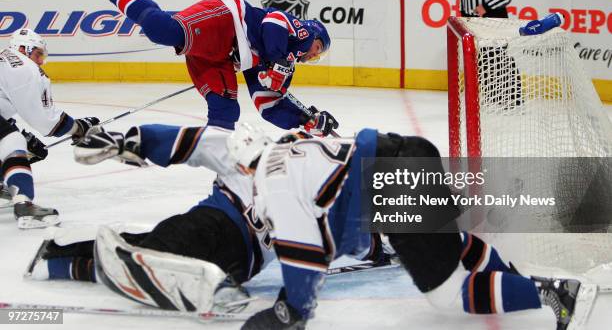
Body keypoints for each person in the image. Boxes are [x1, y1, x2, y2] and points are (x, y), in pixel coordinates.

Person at [224, 123, 583, 330]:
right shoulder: (294, 140)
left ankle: (553, 293)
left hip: (393, 183)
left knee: (448, 296)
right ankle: (504, 273)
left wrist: (292, 311)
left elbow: (303, 253)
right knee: (445, 241)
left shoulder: (272, 182)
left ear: (242, 168)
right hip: (410, 149)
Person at [25, 125, 388, 311]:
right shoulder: (245, 156)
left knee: (147, 261)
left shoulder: (316, 202)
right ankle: (59, 257)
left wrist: (381, 246)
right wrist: (128, 140)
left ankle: (57, 259)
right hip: (213, 223)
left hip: (244, 263)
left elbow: (350, 240)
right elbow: (190, 141)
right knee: (159, 249)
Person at [80, 0, 338, 137]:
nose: (312, 56)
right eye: (317, 49)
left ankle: (222, 176)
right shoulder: (301, 35)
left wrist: (306, 120)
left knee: (225, 112)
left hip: (220, 56)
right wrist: (277, 60)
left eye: (317, 57)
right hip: (229, 19)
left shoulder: (286, 67)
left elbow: (268, 105)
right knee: (162, 30)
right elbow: (274, 22)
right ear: (314, 35)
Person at [0, 29, 100, 229]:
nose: (41, 61)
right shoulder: (24, 67)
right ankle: (24, 204)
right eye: (38, 54)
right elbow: (48, 122)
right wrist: (79, 128)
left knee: (9, 140)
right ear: (22, 49)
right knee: (13, 143)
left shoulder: (4, 58)